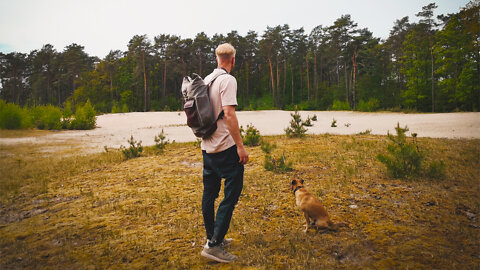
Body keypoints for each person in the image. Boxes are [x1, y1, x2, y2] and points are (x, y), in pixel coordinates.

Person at [200, 43, 249, 263]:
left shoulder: (207, 79)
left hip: (206, 147)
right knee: (232, 193)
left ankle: (212, 238)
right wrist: (240, 146)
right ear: (233, 60)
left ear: (217, 58)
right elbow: (229, 115)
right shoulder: (228, 80)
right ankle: (214, 246)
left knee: (209, 195)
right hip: (225, 148)